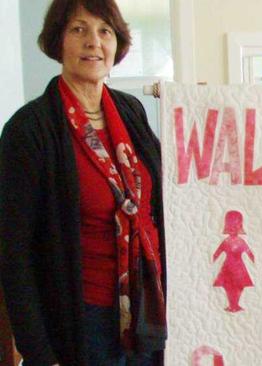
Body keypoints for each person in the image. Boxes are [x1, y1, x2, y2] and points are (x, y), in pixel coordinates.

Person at [0, 0, 166, 365]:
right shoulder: (29, 130)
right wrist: (39, 352)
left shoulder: (131, 112)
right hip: (82, 319)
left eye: (104, 31)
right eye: (79, 29)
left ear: (117, 44)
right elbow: (13, 255)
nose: (94, 41)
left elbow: (160, 203)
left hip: (145, 312)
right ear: (58, 41)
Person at [212, 210, 255, 312]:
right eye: (230, 227)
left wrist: (253, 260)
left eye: (235, 227)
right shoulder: (227, 242)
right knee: (229, 286)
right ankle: (232, 305)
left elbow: (249, 253)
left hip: (237, 268)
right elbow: (217, 253)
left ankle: (235, 305)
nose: (232, 229)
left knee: (238, 286)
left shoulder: (239, 242)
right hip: (230, 268)